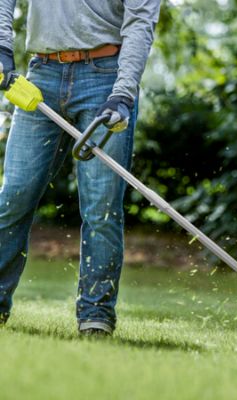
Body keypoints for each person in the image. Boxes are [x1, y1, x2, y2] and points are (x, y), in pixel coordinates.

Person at [0, 0, 161, 336]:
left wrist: (123, 94)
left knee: (101, 206)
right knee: (14, 195)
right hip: (41, 74)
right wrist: (1, 46)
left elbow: (140, 22)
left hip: (105, 79)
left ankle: (95, 316)